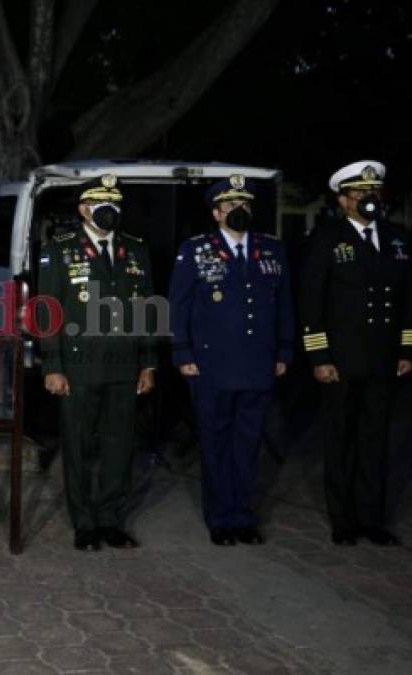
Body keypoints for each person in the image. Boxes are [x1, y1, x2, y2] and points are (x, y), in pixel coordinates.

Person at [169, 175, 294, 546]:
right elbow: (178, 306)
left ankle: (243, 515)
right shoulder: (195, 250)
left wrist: (285, 350)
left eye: (244, 205)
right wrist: (182, 353)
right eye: (230, 206)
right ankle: (220, 518)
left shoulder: (271, 250)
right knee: (215, 441)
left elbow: (284, 303)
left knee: (248, 443)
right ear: (216, 213)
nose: (238, 211)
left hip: (257, 364)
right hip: (211, 366)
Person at [38, 174, 157, 551]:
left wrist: (148, 363)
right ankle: (84, 523)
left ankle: (110, 520)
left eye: (115, 204)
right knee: (77, 447)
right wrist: (52, 366)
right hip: (78, 366)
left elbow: (146, 312)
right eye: (100, 204)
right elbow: (48, 313)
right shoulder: (60, 250)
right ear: (83, 210)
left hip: (124, 366)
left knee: (119, 447)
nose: (109, 211)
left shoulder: (135, 250)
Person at [299, 161, 412, 546]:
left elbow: (407, 301)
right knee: (340, 439)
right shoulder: (327, 238)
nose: (368, 199)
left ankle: (372, 519)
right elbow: (311, 302)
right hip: (341, 362)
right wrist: (319, 357)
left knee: (375, 440)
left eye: (373, 193)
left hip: (383, 359)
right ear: (343, 200)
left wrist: (406, 348)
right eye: (360, 194)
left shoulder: (398, 238)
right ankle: (343, 520)